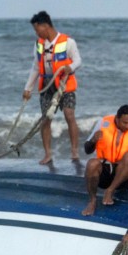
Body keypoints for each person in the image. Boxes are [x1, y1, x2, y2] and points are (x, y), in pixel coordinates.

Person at [22, 11, 82, 164]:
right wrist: (28, 88)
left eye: (37, 29)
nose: (36, 33)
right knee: (46, 119)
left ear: (45, 26)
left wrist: (70, 67)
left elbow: (78, 60)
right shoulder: (39, 44)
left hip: (64, 84)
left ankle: (75, 151)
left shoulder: (68, 42)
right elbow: (35, 67)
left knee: (69, 115)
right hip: (46, 85)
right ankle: (48, 154)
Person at [82, 105, 128, 216]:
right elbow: (87, 150)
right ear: (117, 118)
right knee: (92, 163)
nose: (127, 126)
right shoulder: (103, 123)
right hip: (104, 171)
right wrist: (93, 140)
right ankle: (92, 201)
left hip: (122, 175)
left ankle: (110, 191)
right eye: (124, 122)